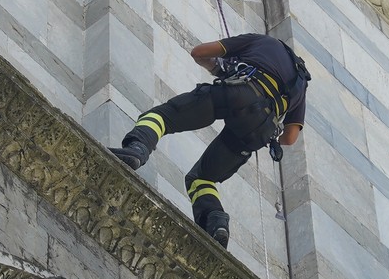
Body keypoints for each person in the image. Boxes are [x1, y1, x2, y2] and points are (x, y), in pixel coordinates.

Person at [109, 33, 310, 248]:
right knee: (202, 178)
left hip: (240, 92)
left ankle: (137, 149)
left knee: (162, 117)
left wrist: (220, 69)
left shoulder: (263, 41)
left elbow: (199, 52)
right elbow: (290, 137)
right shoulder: (301, 83)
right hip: (259, 129)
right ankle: (216, 223)